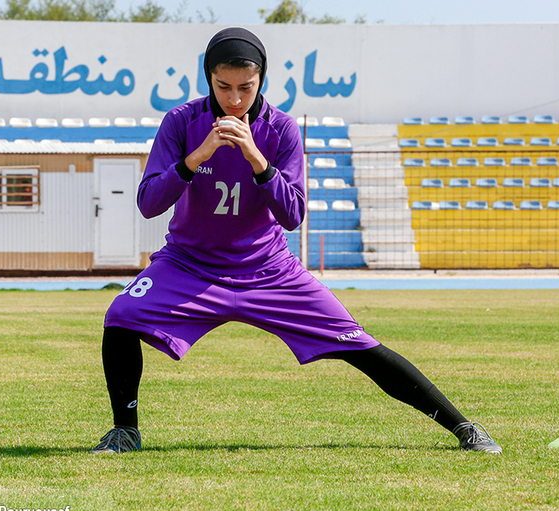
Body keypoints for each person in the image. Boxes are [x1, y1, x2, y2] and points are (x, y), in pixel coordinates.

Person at [92, 27, 502, 455]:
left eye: (246, 88)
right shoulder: (182, 122)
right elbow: (148, 203)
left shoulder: (282, 130)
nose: (235, 99)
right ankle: (125, 431)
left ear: (261, 80)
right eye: (224, 87)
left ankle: (464, 428)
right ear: (208, 78)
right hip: (190, 266)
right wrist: (197, 158)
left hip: (269, 271)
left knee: (356, 342)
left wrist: (257, 160)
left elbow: (293, 215)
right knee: (121, 315)